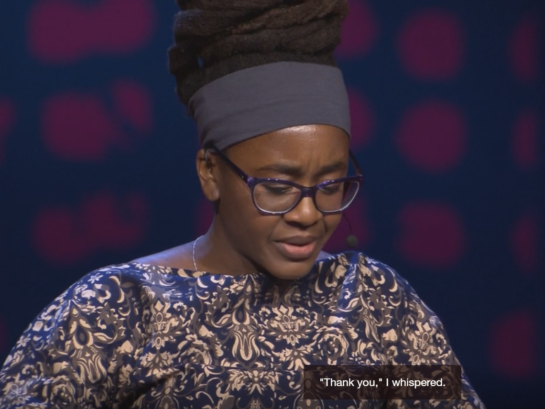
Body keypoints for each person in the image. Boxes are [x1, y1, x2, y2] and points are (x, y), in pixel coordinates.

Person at [0, 0, 486, 408]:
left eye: (330, 185)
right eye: (277, 187)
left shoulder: (374, 301)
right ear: (210, 172)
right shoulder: (119, 308)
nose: (308, 214)